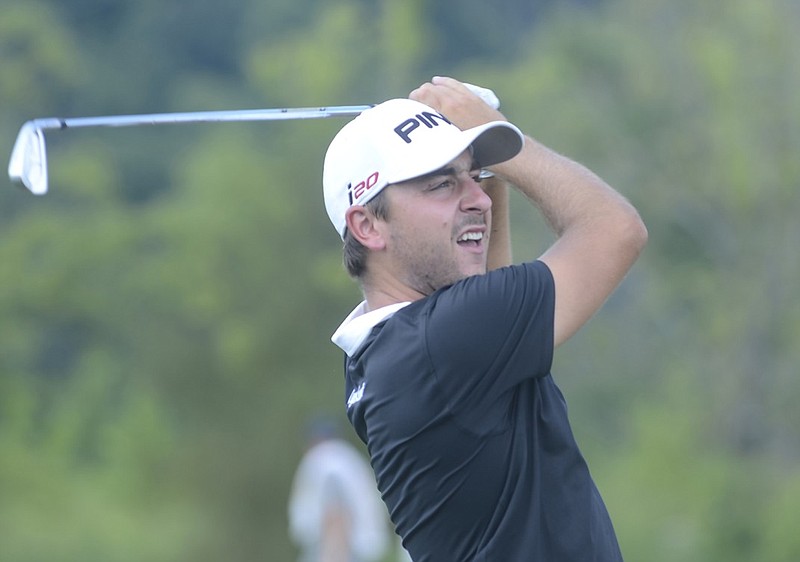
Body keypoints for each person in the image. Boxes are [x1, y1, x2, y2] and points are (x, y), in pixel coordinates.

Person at [321, 76, 648, 561]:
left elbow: (484, 286)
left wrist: (483, 149)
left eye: (475, 176)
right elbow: (616, 229)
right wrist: (497, 129)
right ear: (368, 225)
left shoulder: (387, 352)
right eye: (441, 184)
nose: (480, 198)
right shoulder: (442, 341)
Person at [288, 416, 391, 562]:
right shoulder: (350, 459)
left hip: (343, 552)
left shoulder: (324, 460)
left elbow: (336, 515)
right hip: (364, 550)